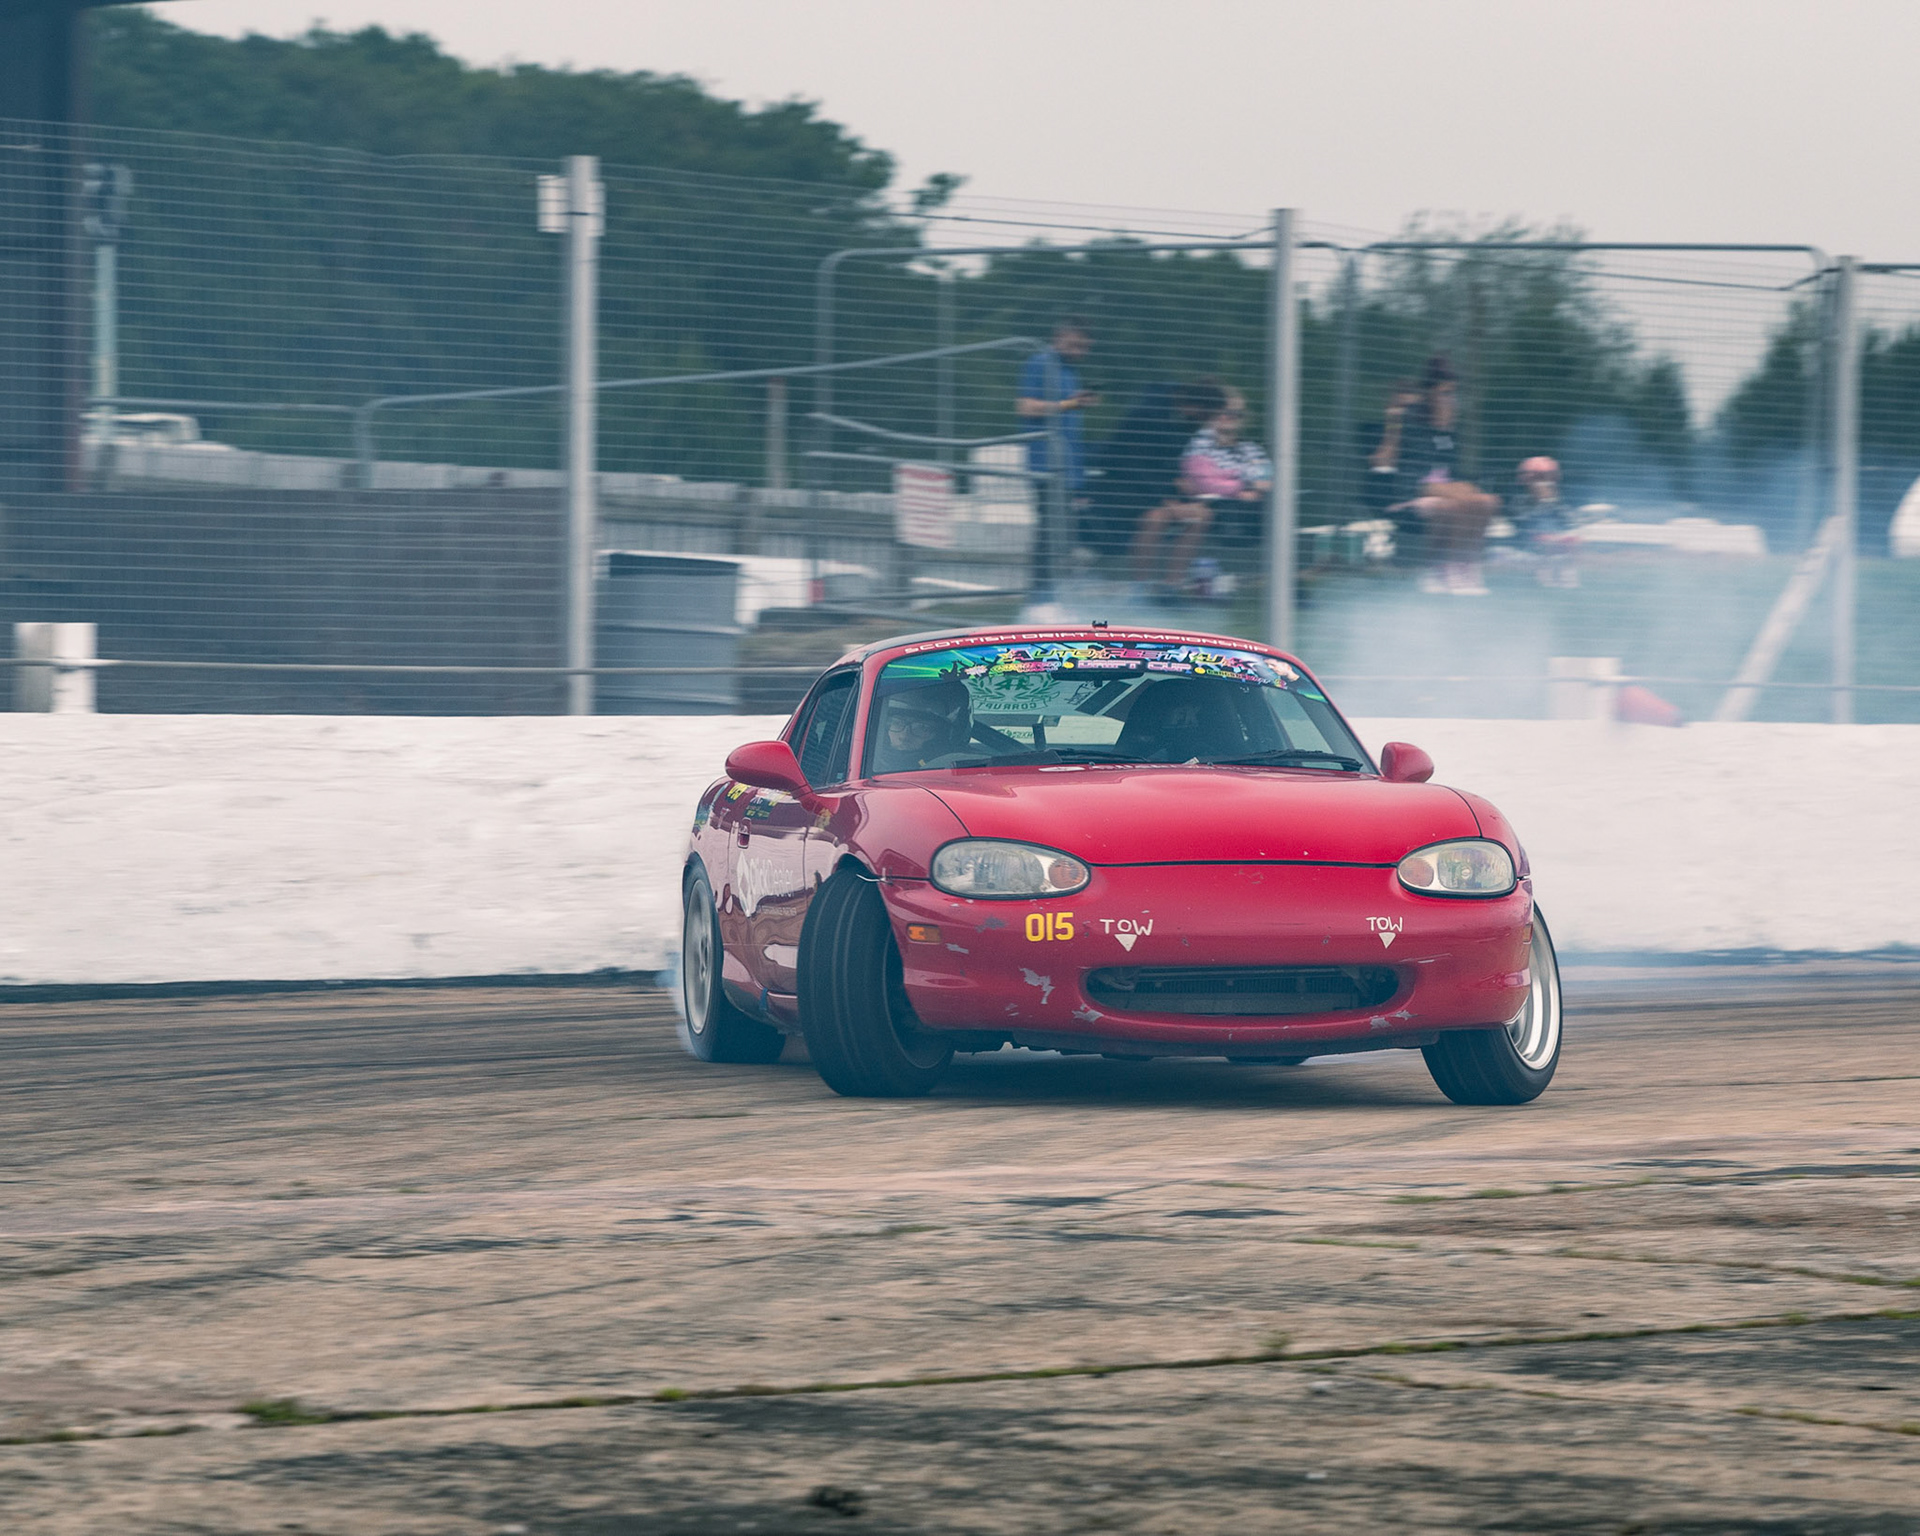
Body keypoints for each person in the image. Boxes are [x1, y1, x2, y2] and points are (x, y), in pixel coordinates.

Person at [1371, 356, 1499, 596]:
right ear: (1430, 393)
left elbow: (1449, 473)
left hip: (1442, 490)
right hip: (1413, 492)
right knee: (1455, 504)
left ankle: (1468, 567)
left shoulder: (1448, 427)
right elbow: (1382, 461)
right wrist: (1393, 421)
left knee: (1487, 502)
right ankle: (1439, 569)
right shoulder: (1407, 421)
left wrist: (1444, 423)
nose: (1452, 400)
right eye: (1445, 393)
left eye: (1453, 393)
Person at [1093, 378, 1227, 566]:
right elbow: (1130, 465)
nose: (1204, 422)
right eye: (1204, 416)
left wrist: (1181, 486)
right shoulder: (1147, 416)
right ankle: (1142, 582)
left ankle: (1174, 581)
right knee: (1157, 518)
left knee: (1203, 516)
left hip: (1155, 489)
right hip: (1124, 491)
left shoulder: (1184, 420)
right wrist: (1166, 499)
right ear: (1194, 406)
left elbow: (1169, 462)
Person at [1015, 318, 1098, 607]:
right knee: (1049, 532)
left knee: (1063, 533)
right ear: (1059, 338)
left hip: (1068, 466)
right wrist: (1069, 404)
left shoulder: (1070, 372)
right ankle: (1040, 597)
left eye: (1084, 347)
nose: (1079, 352)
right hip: (1046, 466)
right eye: (1074, 345)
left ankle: (1051, 594)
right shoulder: (1040, 363)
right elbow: (1025, 407)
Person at [870, 673, 973, 774]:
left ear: (942, 734)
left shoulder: (963, 770)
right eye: (897, 723)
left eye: (921, 727)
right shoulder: (865, 760)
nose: (904, 736)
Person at [1510, 455, 1580, 587]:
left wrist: (1552, 501)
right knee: (1547, 540)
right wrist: (1542, 502)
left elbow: (1569, 521)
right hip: (1528, 544)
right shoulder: (1520, 500)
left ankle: (1567, 573)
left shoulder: (1558, 500)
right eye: (1538, 478)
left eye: (1545, 478)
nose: (1542, 483)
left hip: (1555, 541)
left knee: (1571, 540)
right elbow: (1523, 522)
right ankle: (1544, 574)